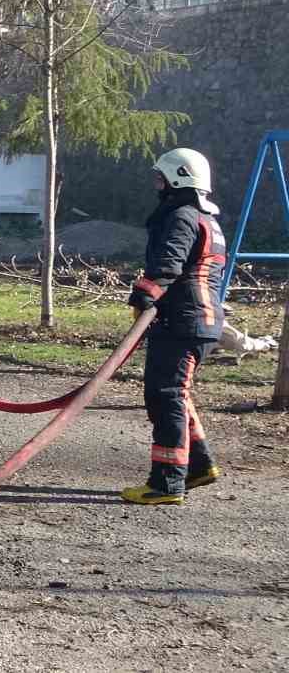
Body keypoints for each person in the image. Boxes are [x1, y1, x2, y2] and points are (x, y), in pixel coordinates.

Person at [123, 148, 226, 506]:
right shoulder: (205, 217)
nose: (157, 184)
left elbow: (169, 262)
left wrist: (143, 296)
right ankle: (199, 465)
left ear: (178, 178)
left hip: (184, 321)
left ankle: (167, 483)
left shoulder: (182, 214)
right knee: (173, 394)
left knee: (166, 396)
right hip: (193, 320)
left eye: (161, 177)